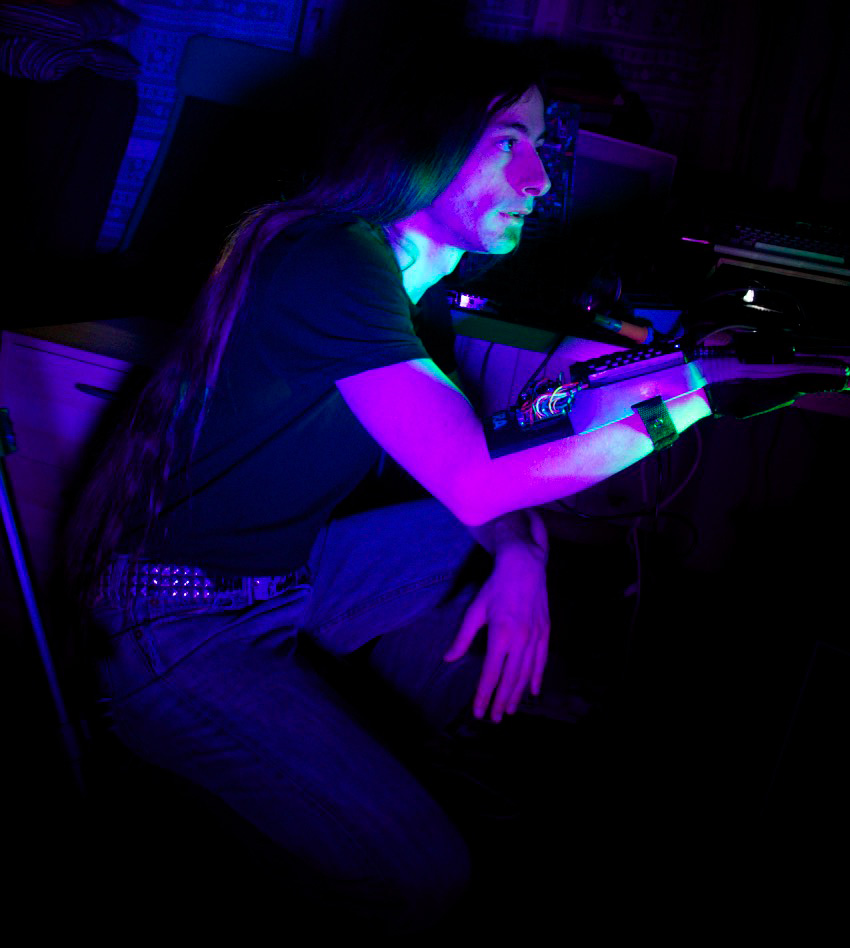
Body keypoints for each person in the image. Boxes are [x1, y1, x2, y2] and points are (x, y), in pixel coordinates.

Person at [66, 34, 712, 933]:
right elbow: (480, 480)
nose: (539, 180)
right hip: (176, 625)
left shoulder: (391, 280)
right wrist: (691, 400)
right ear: (425, 141)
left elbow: (470, 474)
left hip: (280, 583)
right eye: (509, 142)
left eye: (539, 148)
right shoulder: (336, 259)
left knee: (472, 541)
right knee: (428, 877)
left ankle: (407, 750)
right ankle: (266, 805)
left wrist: (523, 554)